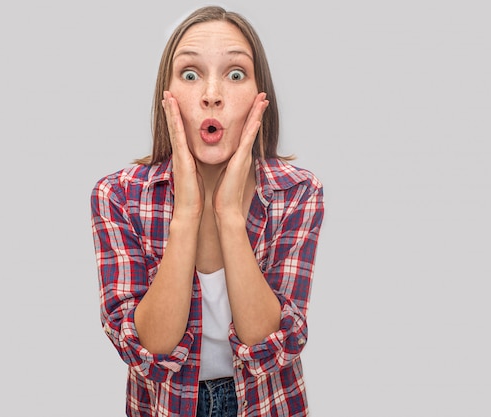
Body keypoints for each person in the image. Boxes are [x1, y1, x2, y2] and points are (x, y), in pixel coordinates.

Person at [90, 5, 324, 417]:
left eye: (235, 74)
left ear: (259, 96)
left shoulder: (296, 192)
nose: (211, 94)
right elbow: (150, 349)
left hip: (270, 405)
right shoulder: (118, 196)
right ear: (167, 96)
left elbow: (271, 344)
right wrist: (187, 214)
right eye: (190, 73)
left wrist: (229, 216)